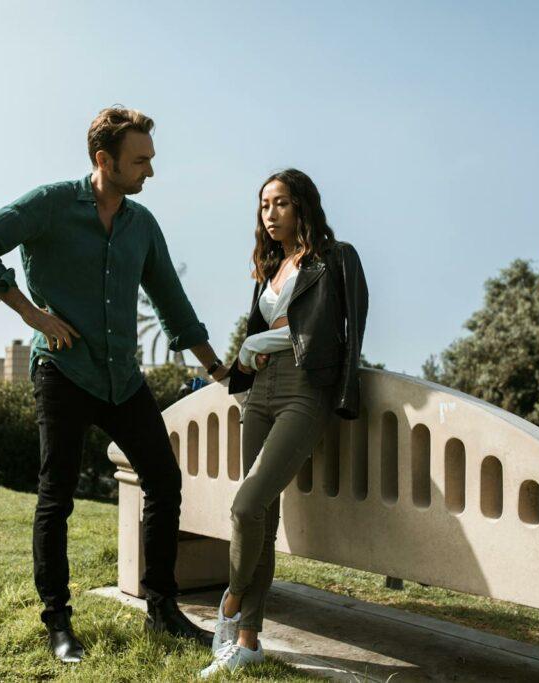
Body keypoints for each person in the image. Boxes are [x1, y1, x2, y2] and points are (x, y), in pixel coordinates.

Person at [0, 107, 230, 664]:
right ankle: (58, 622)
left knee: (164, 481)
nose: (150, 171)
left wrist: (217, 367)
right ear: (104, 160)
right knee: (56, 497)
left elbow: (172, 301)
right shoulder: (51, 204)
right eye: (140, 160)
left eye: (150, 159)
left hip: (122, 377)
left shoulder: (141, 224)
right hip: (62, 371)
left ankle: (162, 609)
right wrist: (32, 314)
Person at [200, 169, 368, 678]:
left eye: (279, 204)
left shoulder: (336, 259)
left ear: (303, 207)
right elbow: (263, 330)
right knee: (262, 518)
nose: (269, 215)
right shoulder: (268, 266)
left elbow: (336, 332)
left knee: (246, 503)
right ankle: (249, 641)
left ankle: (230, 600)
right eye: (263, 205)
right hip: (261, 392)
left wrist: (258, 344)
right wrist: (247, 356)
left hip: (305, 390)